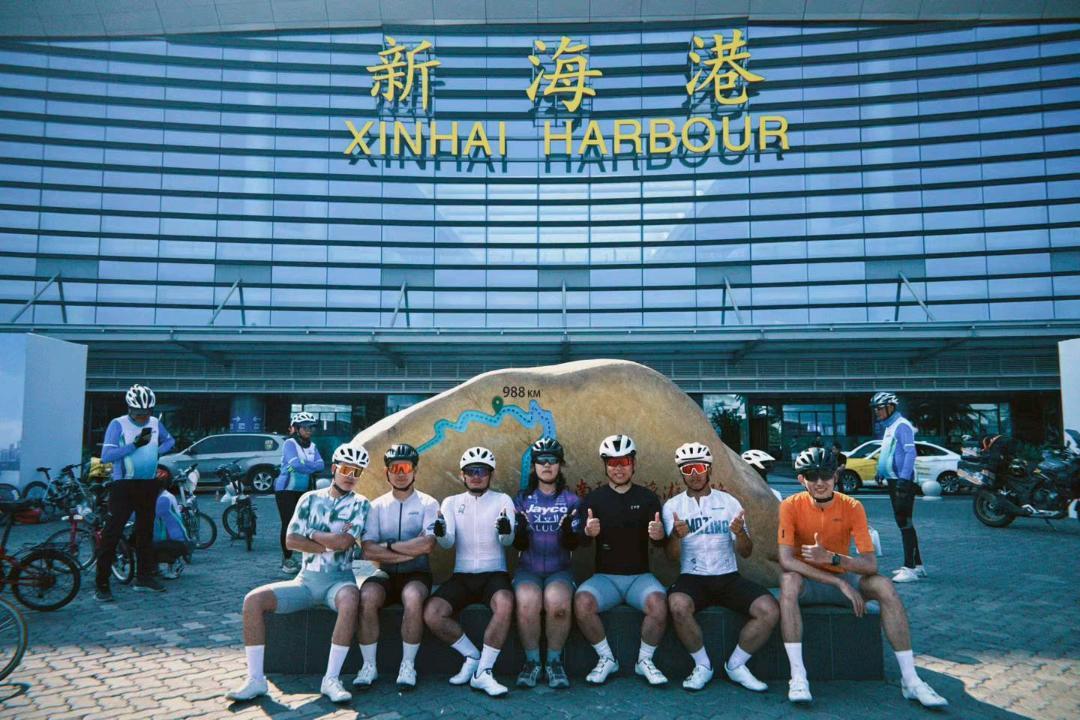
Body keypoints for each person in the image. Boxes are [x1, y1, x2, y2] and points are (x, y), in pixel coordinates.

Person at [777, 447, 947, 708]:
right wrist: (837, 582)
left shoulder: (852, 506)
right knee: (788, 581)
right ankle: (798, 677)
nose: (820, 482)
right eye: (812, 476)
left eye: (826, 475)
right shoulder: (790, 506)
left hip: (844, 576)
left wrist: (832, 559)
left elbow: (870, 565)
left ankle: (911, 679)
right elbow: (786, 560)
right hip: (811, 583)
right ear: (802, 480)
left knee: (884, 586)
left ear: (836, 476)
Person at [225, 443, 372, 704]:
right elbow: (291, 540)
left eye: (357, 472)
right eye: (346, 469)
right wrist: (327, 542)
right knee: (253, 601)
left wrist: (312, 534)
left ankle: (331, 679)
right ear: (334, 469)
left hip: (339, 581)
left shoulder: (361, 504)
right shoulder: (309, 499)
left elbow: (344, 543)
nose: (350, 476)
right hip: (306, 580)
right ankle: (255, 679)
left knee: (351, 600)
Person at [664, 442, 780, 692]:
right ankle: (702, 665)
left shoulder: (729, 503)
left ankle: (736, 664)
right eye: (687, 469)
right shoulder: (672, 507)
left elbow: (746, 552)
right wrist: (675, 536)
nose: (694, 474)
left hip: (727, 576)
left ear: (709, 469)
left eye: (699, 468)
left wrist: (740, 534)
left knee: (769, 609)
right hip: (692, 577)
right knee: (677, 606)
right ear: (681, 472)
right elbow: (671, 557)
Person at [573, 434, 668, 686]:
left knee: (659, 604)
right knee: (582, 603)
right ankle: (606, 658)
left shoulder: (647, 498)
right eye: (612, 462)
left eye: (624, 461)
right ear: (605, 465)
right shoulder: (593, 499)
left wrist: (660, 536)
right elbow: (580, 542)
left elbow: (661, 543)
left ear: (633, 464)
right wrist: (587, 532)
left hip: (640, 577)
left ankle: (645, 661)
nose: (618, 468)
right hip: (605, 578)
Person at [423, 446, 517, 697]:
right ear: (462, 475)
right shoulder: (452, 502)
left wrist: (505, 531)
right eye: (471, 471)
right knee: (432, 613)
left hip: (494, 573)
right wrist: (441, 533)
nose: (476, 476)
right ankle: (473, 656)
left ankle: (484, 672)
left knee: (505, 604)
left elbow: (508, 542)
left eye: (482, 471)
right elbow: (448, 543)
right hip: (463, 575)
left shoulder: (503, 500)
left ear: (490, 475)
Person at [356, 443, 439, 690]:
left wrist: (389, 546)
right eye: (395, 468)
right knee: (366, 597)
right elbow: (368, 550)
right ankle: (368, 666)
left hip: (418, 573)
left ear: (415, 471)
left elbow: (428, 545)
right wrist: (407, 551)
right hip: (385, 572)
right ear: (387, 472)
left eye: (406, 468)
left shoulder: (428, 503)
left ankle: (408, 665)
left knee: (413, 598)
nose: (400, 473)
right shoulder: (376, 506)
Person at [510, 437, 582, 689]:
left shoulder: (572, 501)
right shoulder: (521, 499)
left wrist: (569, 533)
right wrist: (519, 531)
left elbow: (575, 544)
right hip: (528, 569)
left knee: (558, 604)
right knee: (527, 604)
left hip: (559, 569)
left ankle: (553, 662)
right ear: (534, 466)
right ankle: (532, 662)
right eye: (541, 460)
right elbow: (515, 543)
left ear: (560, 465)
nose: (547, 465)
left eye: (553, 460)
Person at [97, 384, 177, 601]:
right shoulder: (118, 424)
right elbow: (106, 456)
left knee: (145, 532)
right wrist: (135, 445)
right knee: (112, 533)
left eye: (147, 412)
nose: (143, 417)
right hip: (124, 485)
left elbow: (170, 440)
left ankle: (143, 578)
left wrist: (156, 451)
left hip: (148, 484)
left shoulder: (155, 422)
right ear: (130, 409)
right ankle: (102, 584)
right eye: (139, 413)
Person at [871, 392, 924, 582]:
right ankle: (918, 565)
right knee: (904, 522)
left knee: (904, 522)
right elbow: (887, 451)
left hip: (903, 481)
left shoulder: (902, 425)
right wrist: (880, 471)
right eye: (875, 409)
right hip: (894, 480)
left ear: (890, 407)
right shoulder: (890, 427)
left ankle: (909, 569)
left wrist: (903, 479)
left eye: (879, 408)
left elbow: (910, 453)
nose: (877, 412)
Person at [275, 412, 325, 575]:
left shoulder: (313, 446)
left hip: (304, 490)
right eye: (305, 427)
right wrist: (310, 465)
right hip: (286, 489)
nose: (309, 430)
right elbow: (295, 465)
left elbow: (321, 465)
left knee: (307, 523)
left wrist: (304, 464)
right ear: (296, 429)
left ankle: (308, 555)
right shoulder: (289, 443)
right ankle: (287, 559)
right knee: (288, 523)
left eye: (311, 427)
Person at [153, 477, 194, 580]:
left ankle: (174, 564)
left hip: (176, 541)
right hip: (180, 539)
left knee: (147, 546)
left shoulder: (163, 500)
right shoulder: (167, 495)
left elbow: (151, 514)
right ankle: (156, 568)